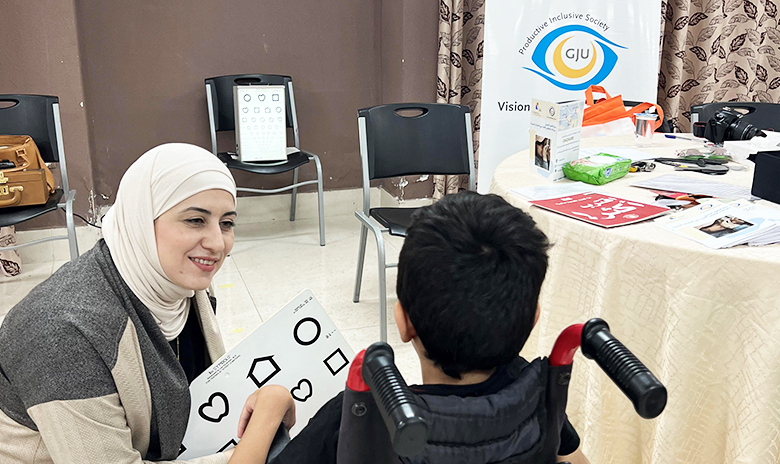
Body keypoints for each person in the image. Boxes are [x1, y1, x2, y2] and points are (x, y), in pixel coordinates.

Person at [0, 143, 293, 464]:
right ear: (140, 220)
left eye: (226, 223)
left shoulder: (180, 285)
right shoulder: (61, 332)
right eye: (196, 220)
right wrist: (264, 425)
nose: (217, 243)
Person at [268, 191, 590, 464]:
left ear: (403, 322)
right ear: (533, 320)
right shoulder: (533, 399)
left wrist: (272, 407)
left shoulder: (357, 417)